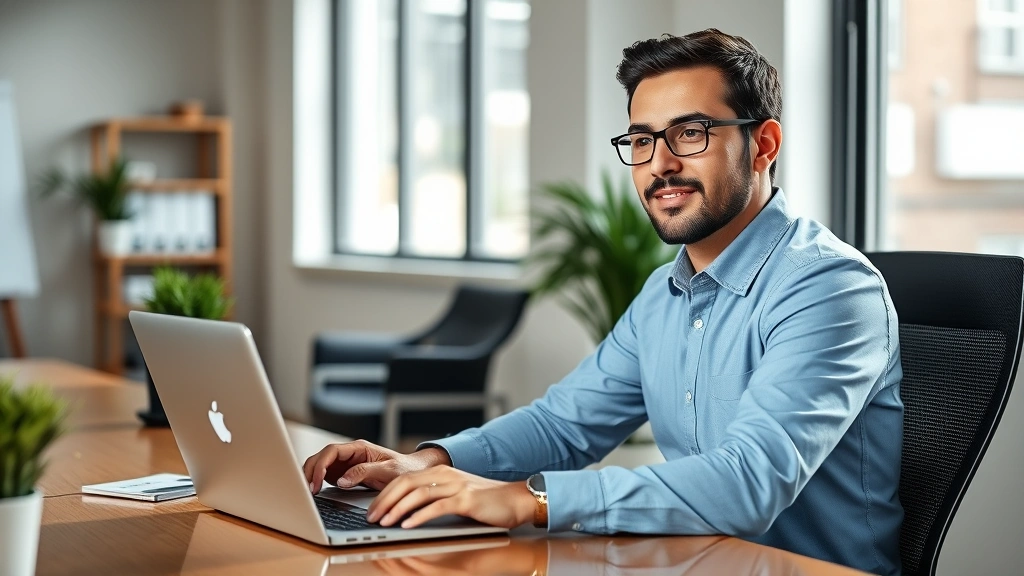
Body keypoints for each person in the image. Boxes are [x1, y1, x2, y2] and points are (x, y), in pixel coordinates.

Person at [303, 29, 903, 576]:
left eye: (690, 133)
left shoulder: (828, 289)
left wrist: (528, 498)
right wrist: (431, 461)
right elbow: (564, 425)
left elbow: (748, 483)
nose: (661, 164)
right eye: (643, 140)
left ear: (764, 143)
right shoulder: (664, 294)